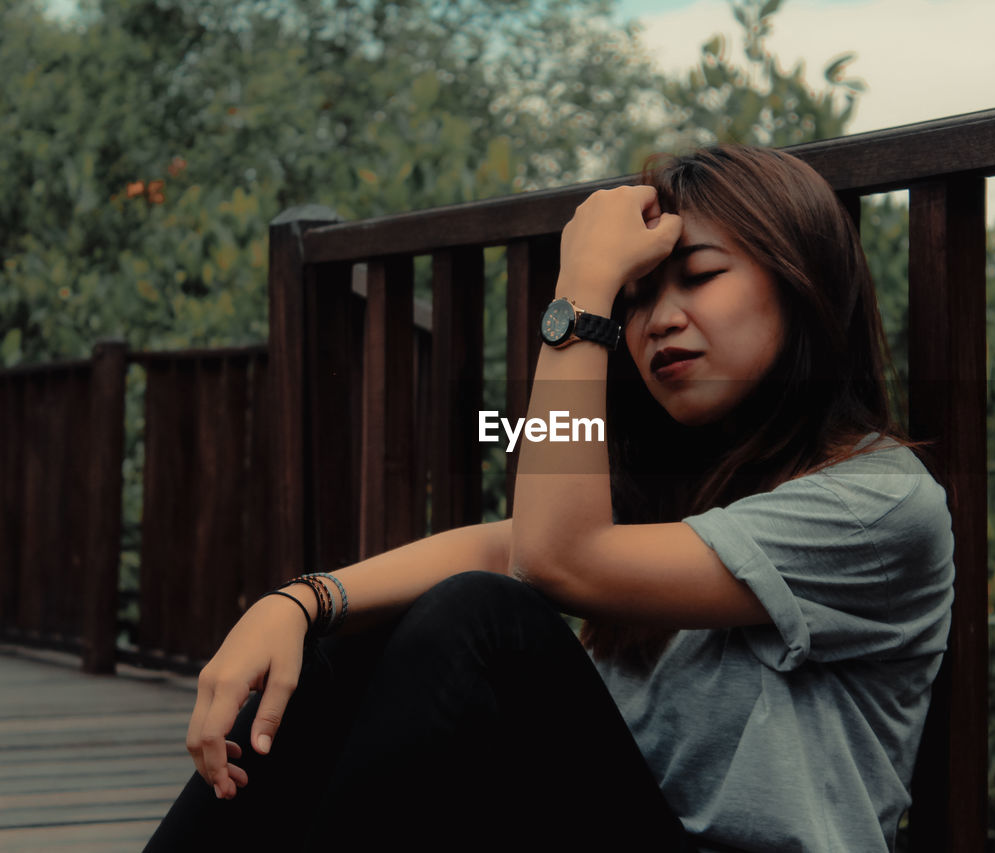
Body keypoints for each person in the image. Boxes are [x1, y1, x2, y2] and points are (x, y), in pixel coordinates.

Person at [146, 144, 954, 852]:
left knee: (479, 619)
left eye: (701, 277)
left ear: (802, 284)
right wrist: (298, 601)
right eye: (635, 299)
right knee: (346, 635)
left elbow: (548, 559)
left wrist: (582, 293)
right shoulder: (688, 495)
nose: (659, 321)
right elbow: (503, 545)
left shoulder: (878, 503)